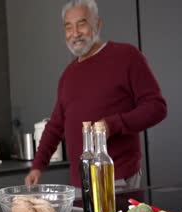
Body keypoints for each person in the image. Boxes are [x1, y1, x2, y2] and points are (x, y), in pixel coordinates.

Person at [24, 0, 167, 192]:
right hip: (79, 183)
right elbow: (56, 126)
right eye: (68, 27)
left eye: (81, 24)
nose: (75, 33)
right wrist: (37, 166)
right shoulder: (68, 75)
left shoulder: (126, 56)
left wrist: (112, 125)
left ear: (97, 24)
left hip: (117, 178)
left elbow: (157, 107)